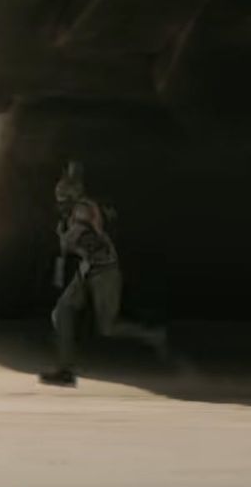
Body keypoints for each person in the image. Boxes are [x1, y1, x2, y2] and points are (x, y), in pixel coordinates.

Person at [39, 161, 169, 387]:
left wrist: (65, 236)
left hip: (105, 271)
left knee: (108, 327)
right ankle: (66, 370)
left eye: (63, 200)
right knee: (62, 312)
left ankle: (152, 335)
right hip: (88, 269)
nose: (59, 204)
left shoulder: (82, 210)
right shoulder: (72, 214)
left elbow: (79, 238)